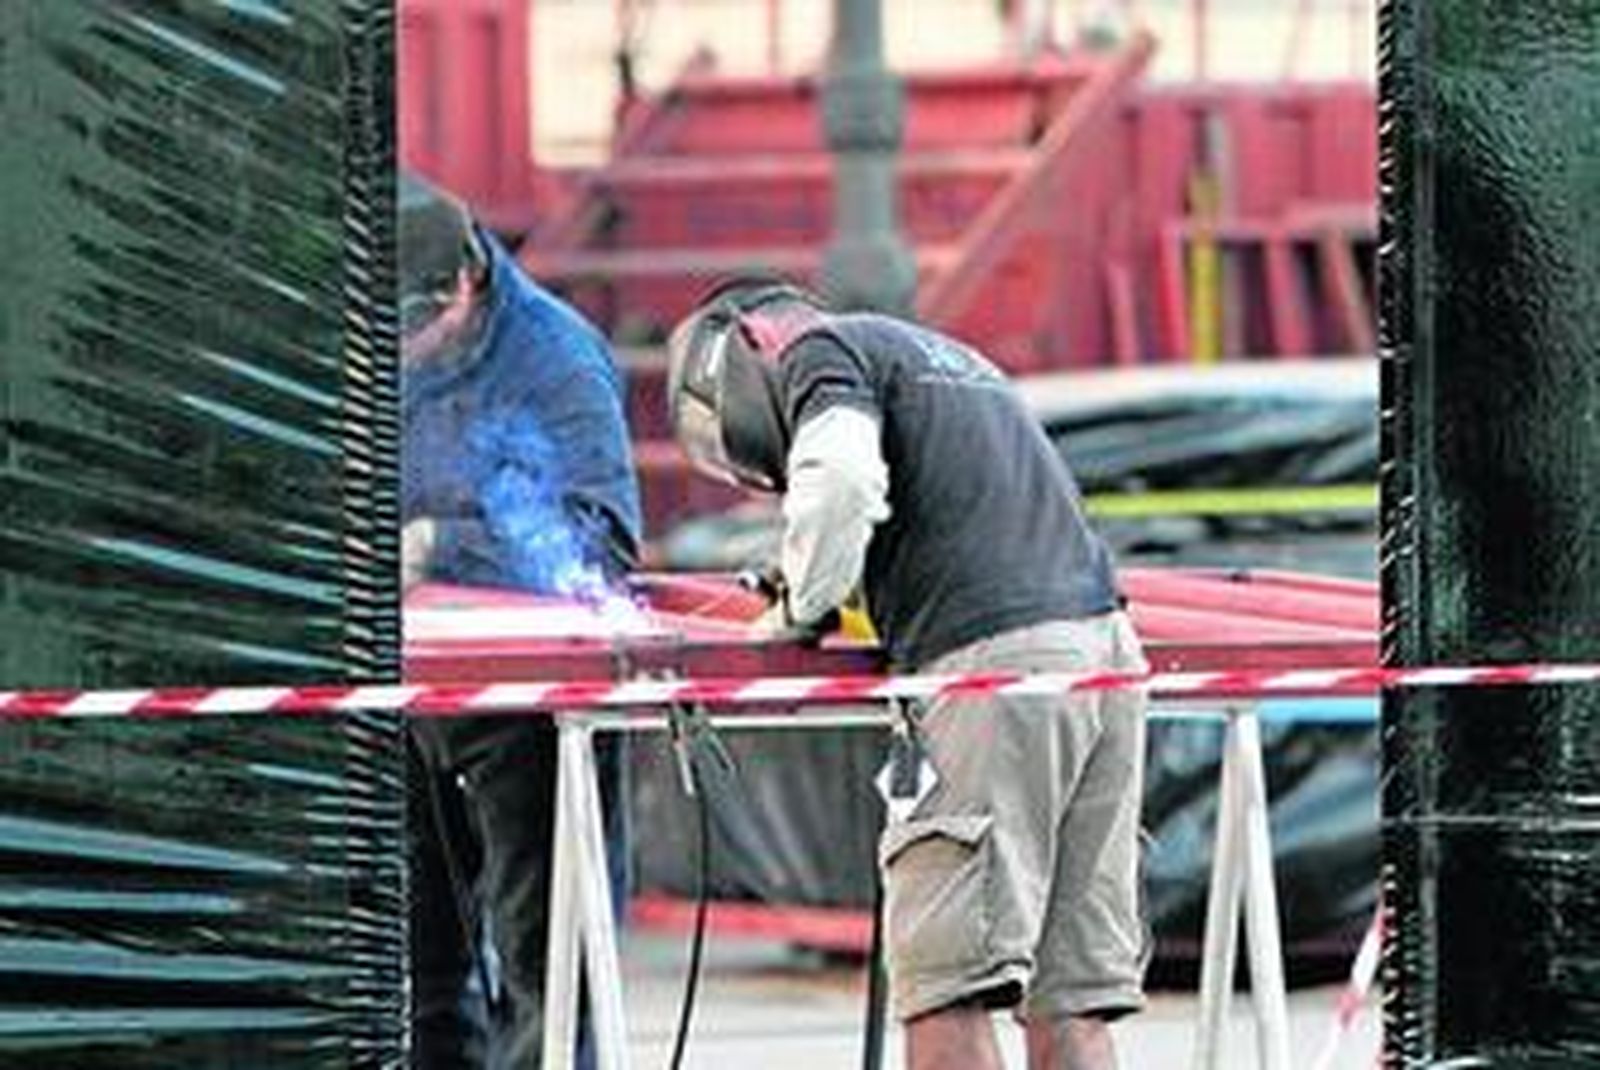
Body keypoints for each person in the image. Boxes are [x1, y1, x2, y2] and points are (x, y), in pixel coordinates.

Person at [665, 280, 1150, 1070]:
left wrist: (799, 608)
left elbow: (843, 482)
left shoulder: (819, 351)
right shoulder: (945, 360)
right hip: (1104, 659)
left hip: (995, 671)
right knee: (1070, 1000)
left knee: (945, 986)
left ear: (749, 340)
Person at [400, 172, 642, 1069]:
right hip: (407, 698)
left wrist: (437, 546)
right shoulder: (389, 337)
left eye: (410, 328)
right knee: (420, 966)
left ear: (464, 284)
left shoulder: (555, 360)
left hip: (531, 711)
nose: (399, 352)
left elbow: (600, 543)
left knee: (550, 971)